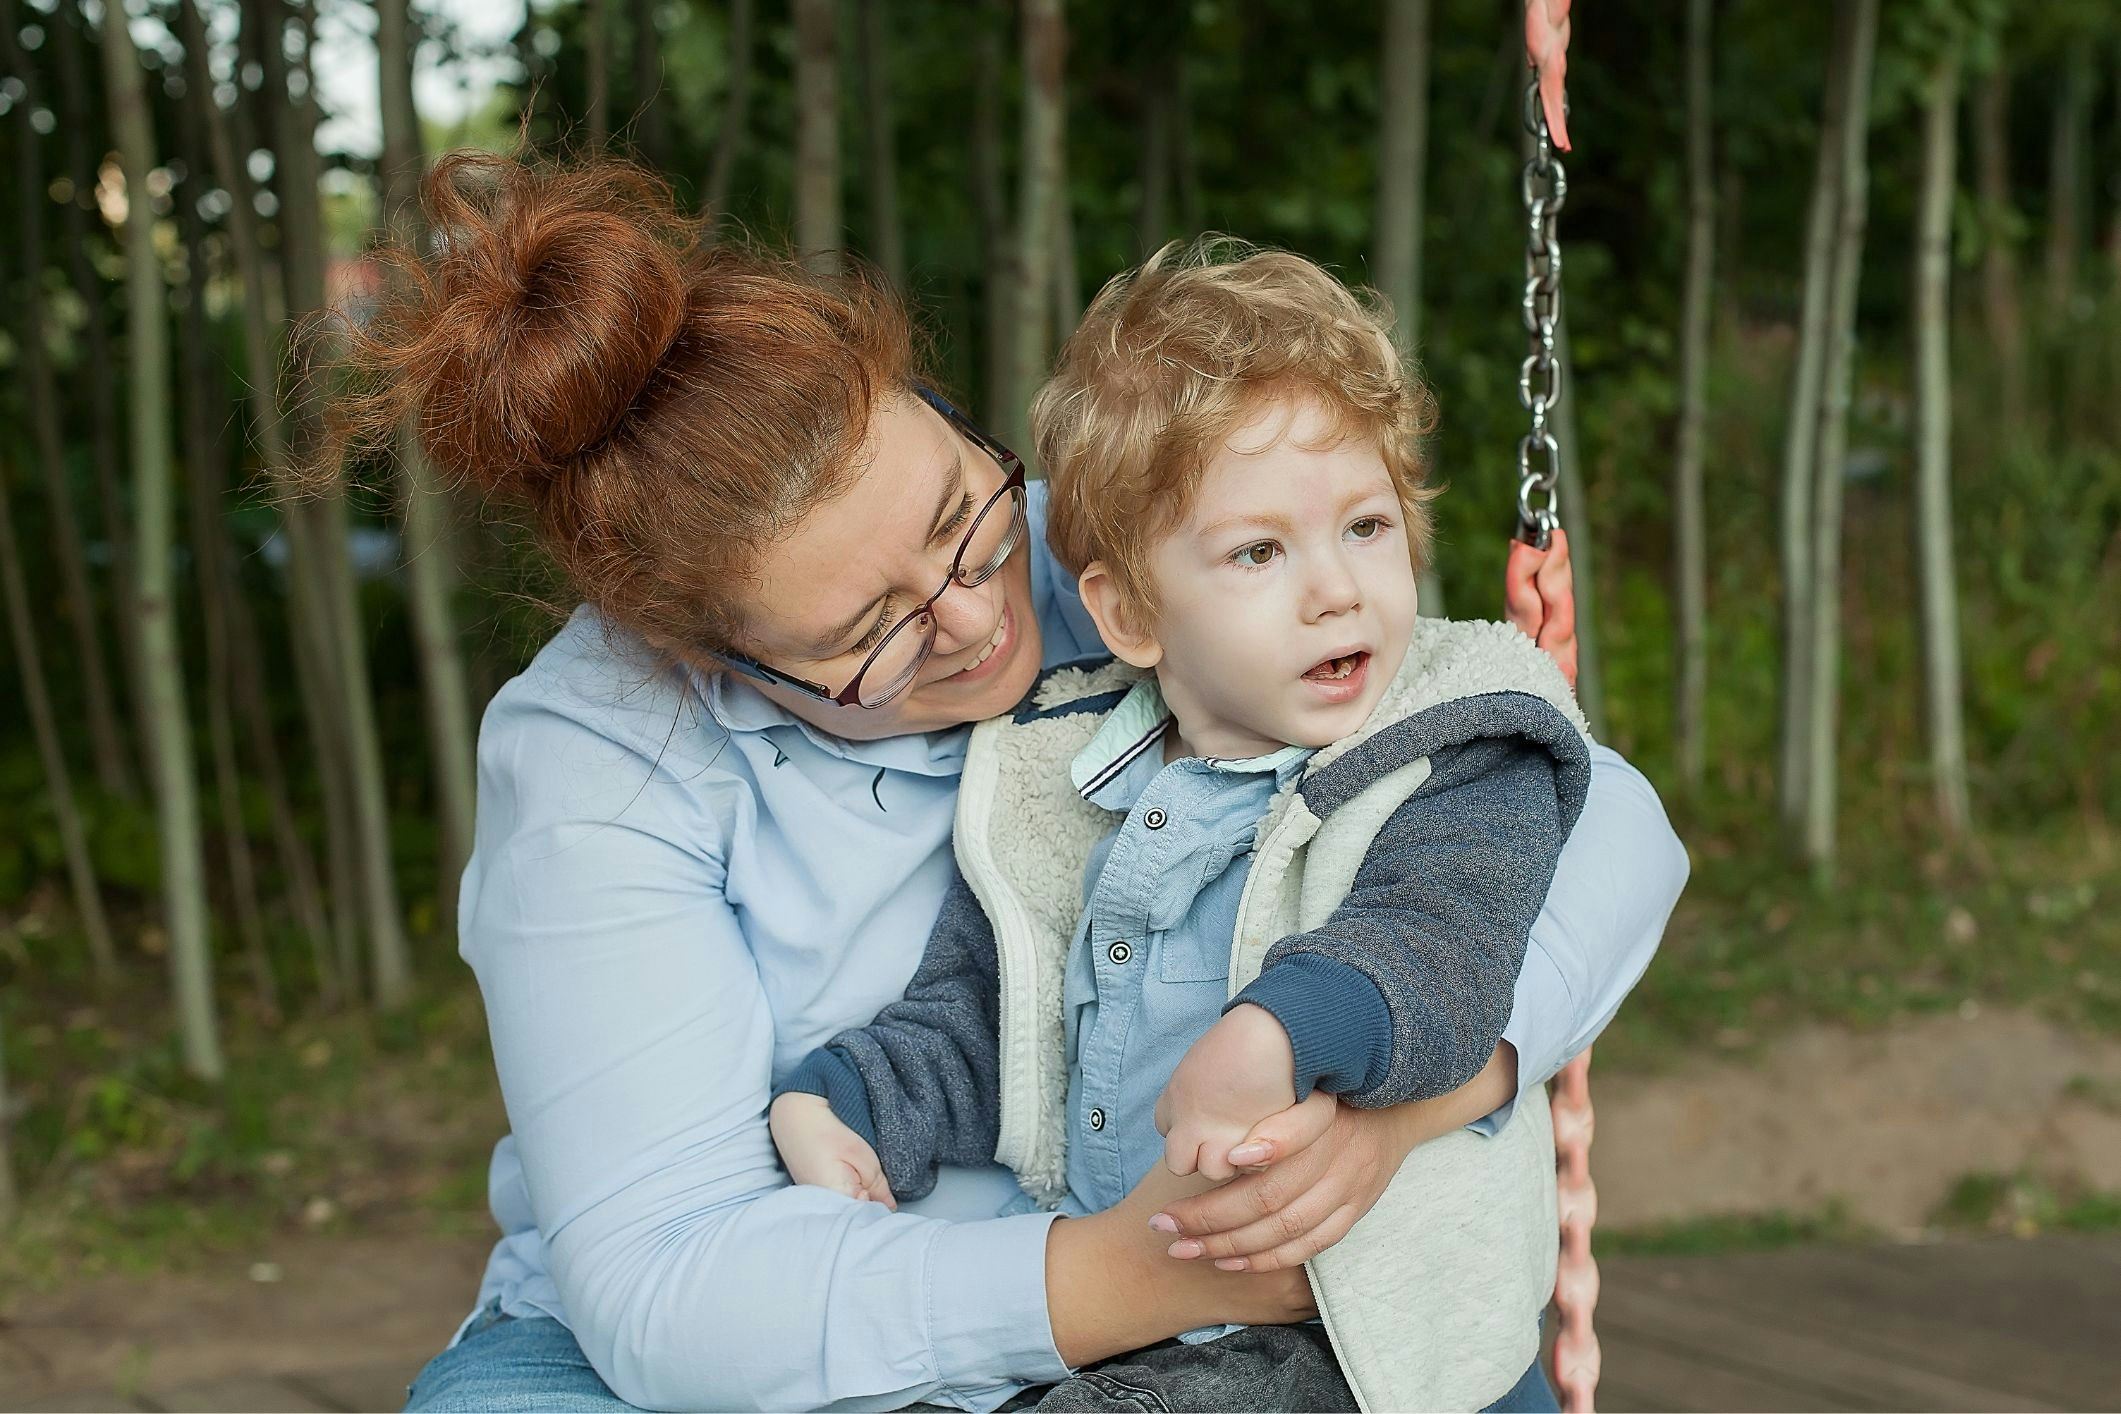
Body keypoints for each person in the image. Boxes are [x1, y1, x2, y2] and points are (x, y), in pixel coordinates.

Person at [354, 153, 1688, 1413]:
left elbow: (1562, 796)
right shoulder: (599, 753)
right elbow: (665, 1285)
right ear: (707, 654)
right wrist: (1133, 1274)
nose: (977, 616)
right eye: (866, 632)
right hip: (766, 1337)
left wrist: (1421, 1094)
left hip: (1210, 1297)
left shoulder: (1102, 550)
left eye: (959, 514)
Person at [768, 244, 1601, 1411]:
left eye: (1366, 526)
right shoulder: (1070, 779)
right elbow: (984, 1019)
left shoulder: (1455, 750)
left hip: (1355, 1332)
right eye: (1260, 551)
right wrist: (841, 1100)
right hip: (1148, 1319)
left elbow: (1439, 946)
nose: (1338, 588)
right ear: (1128, 611)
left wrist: (1274, 1033)